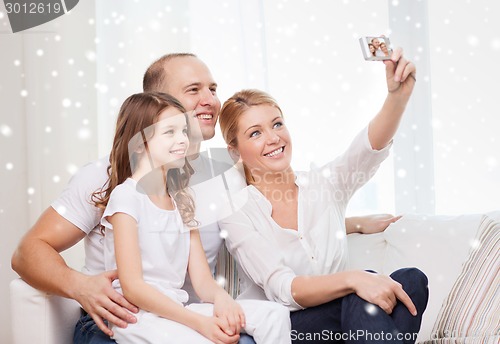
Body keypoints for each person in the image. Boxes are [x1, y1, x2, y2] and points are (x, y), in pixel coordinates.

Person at [11, 53, 399, 344]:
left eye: (212, 88)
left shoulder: (223, 179)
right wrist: (79, 285)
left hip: (189, 314)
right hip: (125, 321)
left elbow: (274, 214)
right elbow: (28, 252)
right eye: (193, 90)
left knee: (272, 327)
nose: (210, 99)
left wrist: (349, 223)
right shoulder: (109, 177)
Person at [218, 47, 428, 343]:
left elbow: (366, 152)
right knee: (362, 290)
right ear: (234, 150)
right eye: (255, 133)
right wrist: (354, 278)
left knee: (411, 280)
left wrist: (397, 97)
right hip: (286, 327)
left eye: (277, 123)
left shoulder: (323, 186)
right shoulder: (236, 211)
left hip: (345, 321)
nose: (273, 137)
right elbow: (282, 288)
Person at [93, 91, 291, 343]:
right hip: (138, 317)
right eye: (169, 132)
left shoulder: (182, 201)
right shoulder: (126, 197)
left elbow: (202, 282)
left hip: (177, 308)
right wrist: (200, 323)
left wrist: (223, 300)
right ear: (141, 141)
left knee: (274, 315)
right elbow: (133, 287)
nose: (182, 140)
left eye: (184, 131)